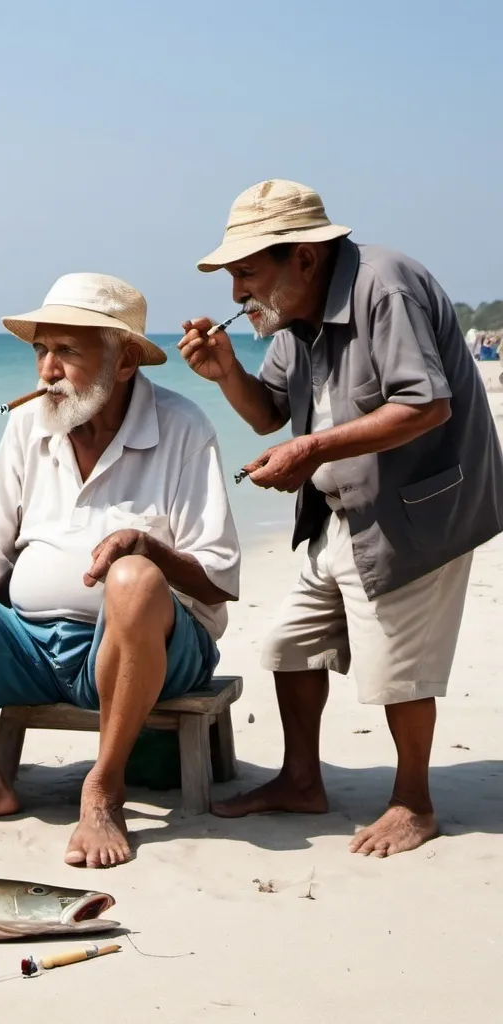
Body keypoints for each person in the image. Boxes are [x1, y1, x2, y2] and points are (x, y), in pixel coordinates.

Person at [0, 273, 240, 868]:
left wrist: (147, 550)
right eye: (41, 350)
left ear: (122, 364)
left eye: (67, 351)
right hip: (32, 646)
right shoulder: (29, 423)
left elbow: (219, 577)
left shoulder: (183, 427)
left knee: (135, 579)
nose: (45, 370)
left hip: (154, 651)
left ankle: (104, 788)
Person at [179, 179, 503, 857]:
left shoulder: (385, 286)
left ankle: (414, 801)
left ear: (302, 256)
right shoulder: (293, 312)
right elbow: (271, 412)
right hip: (338, 514)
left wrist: (310, 448)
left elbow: (426, 405)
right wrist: (224, 373)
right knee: (288, 647)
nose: (236, 294)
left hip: (414, 514)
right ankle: (302, 781)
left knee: (397, 672)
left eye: (245, 273)